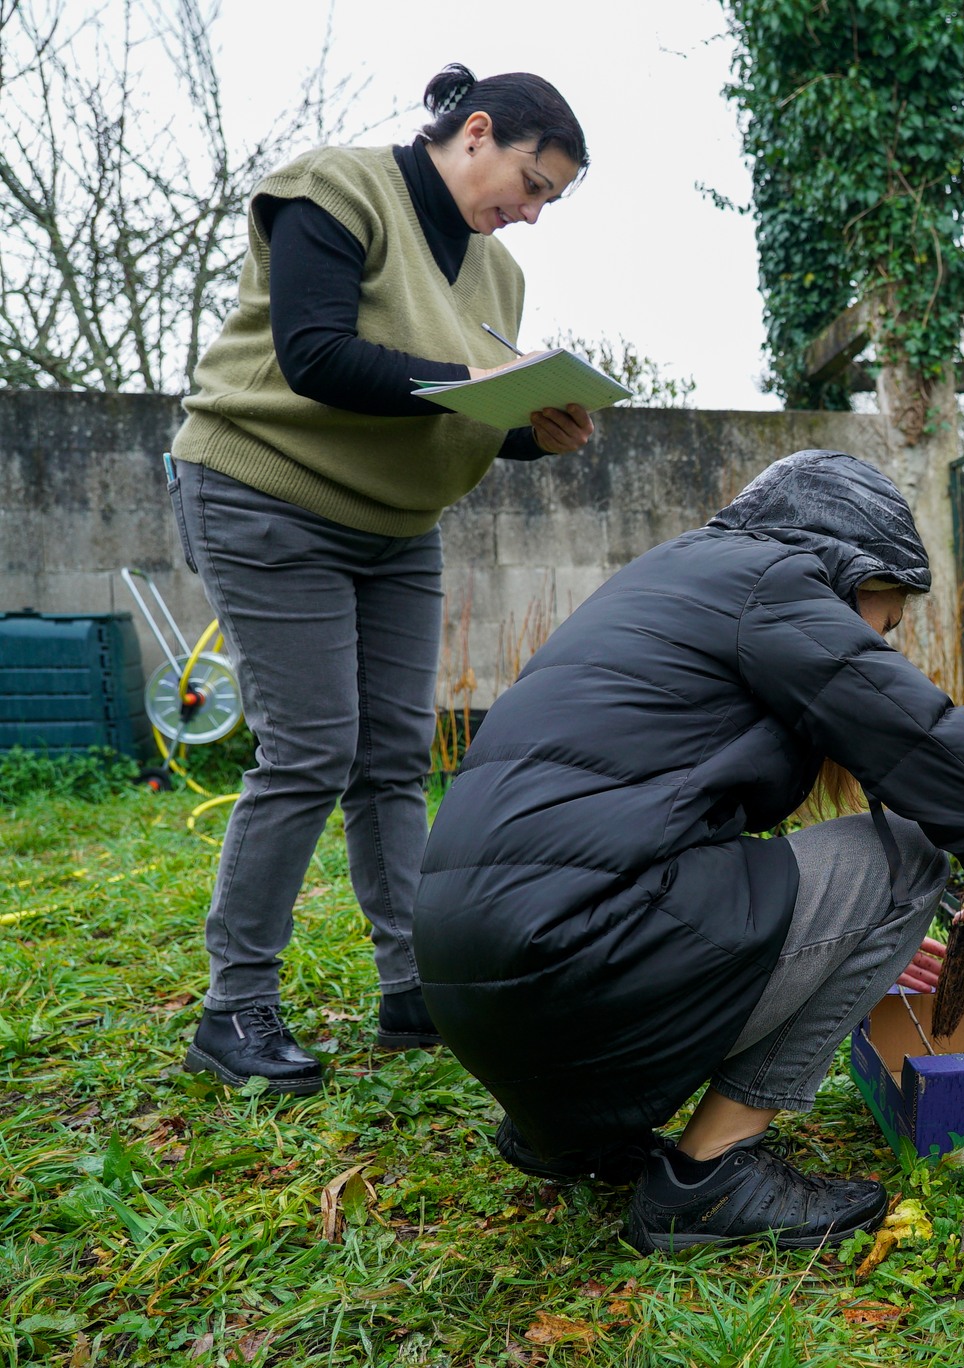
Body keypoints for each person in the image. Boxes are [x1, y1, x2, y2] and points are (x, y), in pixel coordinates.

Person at [413, 450, 964, 1251]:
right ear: (851, 567)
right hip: (574, 962)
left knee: (827, 876)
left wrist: (834, 935)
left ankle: (565, 1129)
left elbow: (644, 825)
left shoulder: (667, 580)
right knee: (907, 857)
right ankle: (713, 1174)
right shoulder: (774, 584)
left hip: (472, 988)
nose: (884, 647)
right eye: (882, 627)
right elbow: (948, 762)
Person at [172, 64, 597, 1094]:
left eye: (548, 200)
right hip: (265, 494)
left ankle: (414, 991)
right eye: (533, 183)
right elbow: (316, 358)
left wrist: (534, 431)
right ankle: (234, 1012)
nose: (531, 214)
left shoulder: (496, 275)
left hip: (396, 529)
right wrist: (474, 386)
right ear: (478, 133)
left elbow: (458, 415)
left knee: (397, 756)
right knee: (311, 748)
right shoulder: (337, 190)